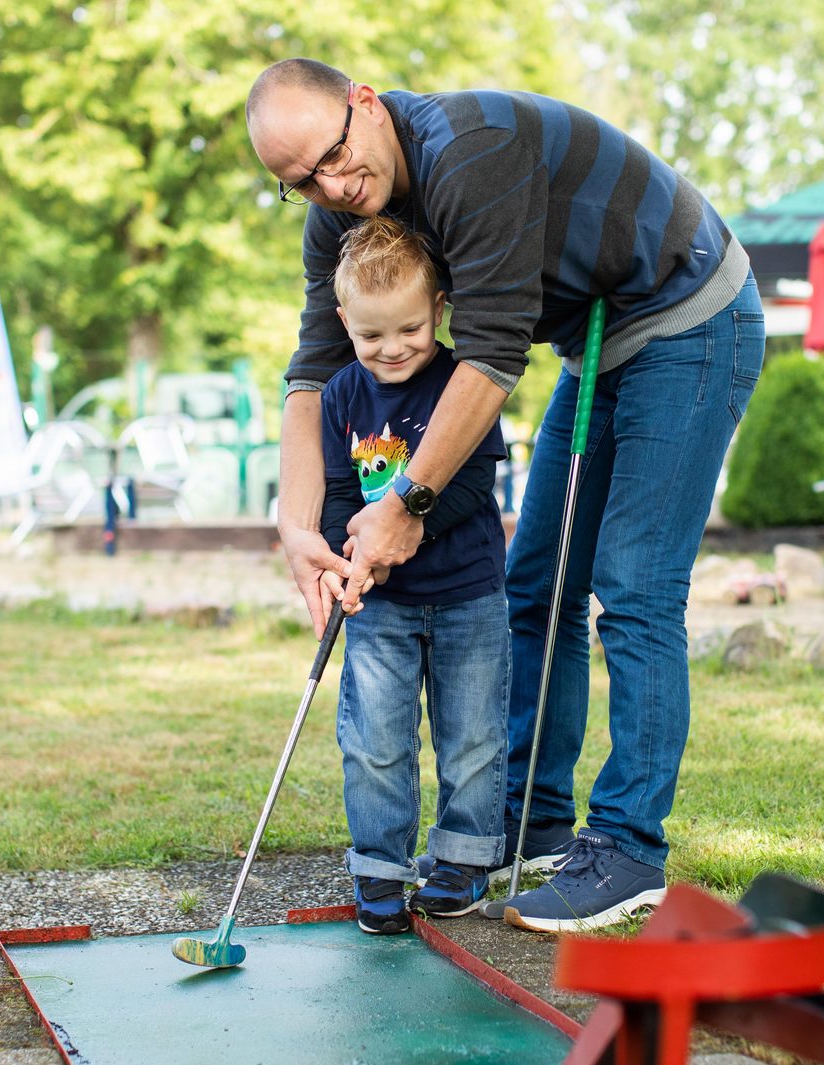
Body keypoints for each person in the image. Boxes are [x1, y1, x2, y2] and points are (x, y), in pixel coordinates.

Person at [246, 60, 766, 932]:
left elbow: (488, 356)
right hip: (598, 341)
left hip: (686, 315)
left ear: (364, 104)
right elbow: (314, 368)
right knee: (540, 586)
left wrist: (406, 503)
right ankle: (537, 822)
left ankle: (629, 850)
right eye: (300, 184)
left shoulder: (471, 154)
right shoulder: (341, 215)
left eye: (333, 157)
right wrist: (296, 525)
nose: (331, 187)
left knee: (633, 586)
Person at [317, 216, 509, 935]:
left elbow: (472, 483)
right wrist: (349, 555)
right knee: (374, 740)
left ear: (439, 311)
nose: (391, 350)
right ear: (346, 323)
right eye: (371, 337)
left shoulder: (465, 382)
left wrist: (407, 525)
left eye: (409, 330)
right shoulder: (341, 395)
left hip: (468, 596)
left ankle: (460, 864)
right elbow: (340, 492)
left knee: (474, 738)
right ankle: (379, 871)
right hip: (384, 609)